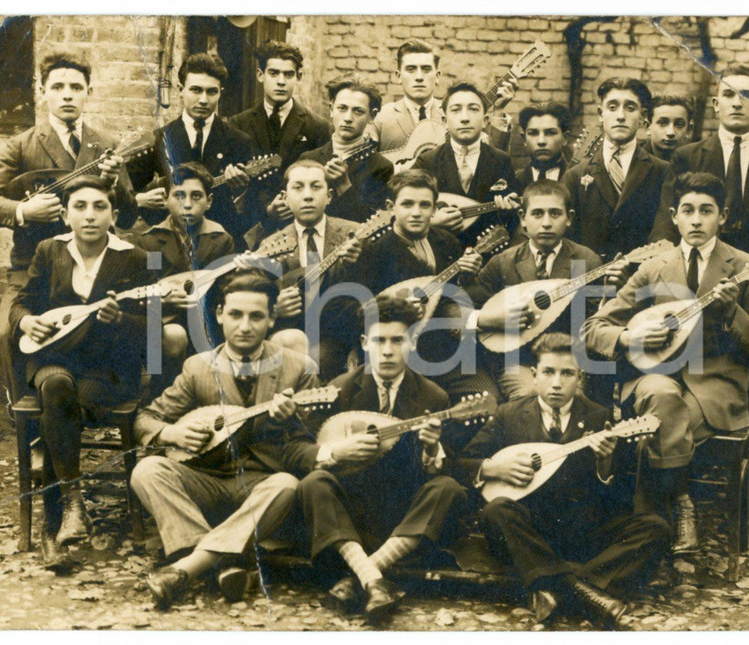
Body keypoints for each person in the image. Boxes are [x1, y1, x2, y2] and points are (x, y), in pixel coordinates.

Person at [582, 172, 749, 556]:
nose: (696, 220)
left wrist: (733, 311)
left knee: (660, 418)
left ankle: (652, 517)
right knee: (660, 394)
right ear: (674, 216)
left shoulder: (747, 267)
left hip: (715, 385)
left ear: (723, 217)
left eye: (707, 211)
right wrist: (629, 338)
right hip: (655, 376)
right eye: (687, 210)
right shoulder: (654, 267)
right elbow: (594, 328)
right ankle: (681, 501)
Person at [648, 66, 749, 529]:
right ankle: (669, 496)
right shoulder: (690, 155)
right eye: (728, 95)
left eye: (747, 95)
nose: (737, 102)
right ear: (715, 104)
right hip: (686, 291)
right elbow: (663, 223)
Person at [131, 271, 320, 609]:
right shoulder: (198, 367)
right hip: (208, 481)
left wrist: (293, 419)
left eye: (256, 316)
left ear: (272, 319)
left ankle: (187, 567)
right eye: (235, 314)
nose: (244, 326)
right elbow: (145, 420)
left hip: (264, 490)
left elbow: (314, 443)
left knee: (289, 485)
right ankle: (226, 561)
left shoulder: (298, 368)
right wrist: (172, 433)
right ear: (219, 314)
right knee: (147, 471)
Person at [455, 332, 671, 628]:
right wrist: (494, 468)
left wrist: (605, 463)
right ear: (534, 375)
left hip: (581, 530)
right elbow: (462, 463)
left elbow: (619, 499)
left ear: (579, 377)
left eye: (567, 373)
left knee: (655, 528)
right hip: (529, 528)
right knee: (497, 512)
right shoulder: (509, 414)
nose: (557, 383)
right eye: (548, 372)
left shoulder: (599, 417)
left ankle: (552, 584)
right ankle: (586, 590)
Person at [0, 50, 138, 405]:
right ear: (42, 90)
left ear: (89, 92)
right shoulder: (22, 144)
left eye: (76, 86)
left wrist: (116, 184)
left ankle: (80, 411)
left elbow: (131, 211)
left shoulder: (104, 145)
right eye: (58, 86)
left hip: (92, 272)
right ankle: (28, 422)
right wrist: (23, 210)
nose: (67, 94)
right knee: (4, 334)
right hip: (33, 271)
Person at [297, 296, 468, 624]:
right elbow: (304, 448)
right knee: (313, 483)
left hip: (399, 515)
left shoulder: (433, 397)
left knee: (447, 488)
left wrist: (432, 448)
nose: (388, 351)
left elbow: (432, 473)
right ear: (364, 343)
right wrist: (336, 453)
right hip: (350, 515)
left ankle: (359, 576)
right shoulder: (339, 390)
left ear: (412, 343)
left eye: (397, 340)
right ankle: (375, 581)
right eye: (379, 341)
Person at [10, 176, 149, 570]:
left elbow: (154, 328)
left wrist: (121, 320)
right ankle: (72, 503)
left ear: (114, 214)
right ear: (66, 216)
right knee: (56, 389)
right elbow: (20, 304)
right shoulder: (47, 250)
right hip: (54, 357)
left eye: (100, 206)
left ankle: (51, 532)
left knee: (60, 412)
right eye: (80, 207)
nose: (90, 215)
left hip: (105, 369)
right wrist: (27, 323)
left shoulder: (136, 256)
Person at [466, 179, 628, 401]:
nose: (546, 223)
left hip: (569, 361)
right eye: (537, 214)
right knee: (529, 396)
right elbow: (469, 309)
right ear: (523, 218)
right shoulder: (502, 262)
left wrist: (611, 290)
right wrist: (491, 318)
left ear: (569, 218)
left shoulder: (586, 260)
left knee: (572, 398)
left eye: (554, 214)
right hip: (518, 361)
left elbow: (596, 320)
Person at [353, 169, 498, 405]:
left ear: (434, 209)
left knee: (486, 400)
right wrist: (394, 309)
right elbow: (356, 309)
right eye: (407, 204)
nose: (416, 213)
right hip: (399, 357)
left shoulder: (446, 241)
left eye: (424, 205)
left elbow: (457, 295)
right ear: (391, 207)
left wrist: (466, 276)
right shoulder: (373, 252)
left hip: (447, 350)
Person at [251, 160, 363, 380]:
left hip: (344, 334)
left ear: (329, 196)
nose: (308, 195)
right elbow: (253, 296)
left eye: (316, 186)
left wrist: (359, 262)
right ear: (284, 197)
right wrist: (274, 308)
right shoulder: (270, 245)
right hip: (294, 334)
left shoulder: (355, 234)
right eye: (298, 187)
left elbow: (376, 284)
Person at [127, 53, 254, 247]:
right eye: (196, 90)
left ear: (221, 92)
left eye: (212, 92)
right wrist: (140, 200)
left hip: (220, 244)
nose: (203, 100)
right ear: (180, 89)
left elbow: (250, 207)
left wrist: (240, 190)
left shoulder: (238, 141)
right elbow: (126, 189)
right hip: (169, 245)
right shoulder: (160, 139)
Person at [135, 162, 235, 392]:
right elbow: (145, 287)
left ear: (209, 201)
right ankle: (161, 393)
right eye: (179, 196)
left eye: (196, 196)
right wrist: (162, 299)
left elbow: (228, 290)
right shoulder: (151, 241)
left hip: (208, 319)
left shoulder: (220, 240)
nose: (187, 204)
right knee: (173, 335)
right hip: (165, 321)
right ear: (167, 200)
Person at [229, 40, 330, 248]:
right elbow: (234, 189)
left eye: (288, 74)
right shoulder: (238, 124)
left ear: (298, 77)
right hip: (251, 227)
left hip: (299, 228)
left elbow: (323, 182)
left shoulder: (317, 126)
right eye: (274, 73)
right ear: (260, 75)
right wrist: (266, 210)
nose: (281, 81)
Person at [560, 77, 667, 260]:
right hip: (590, 280)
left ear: (642, 117)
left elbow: (664, 232)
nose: (620, 116)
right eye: (612, 107)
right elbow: (569, 239)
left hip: (641, 279)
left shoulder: (662, 172)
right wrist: (583, 282)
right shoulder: (575, 176)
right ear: (601, 114)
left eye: (630, 108)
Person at [412, 81, 521, 249]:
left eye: (473, 109)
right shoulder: (427, 161)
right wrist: (431, 221)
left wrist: (507, 209)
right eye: (455, 110)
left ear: (485, 120)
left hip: (487, 253)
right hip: (439, 254)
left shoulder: (501, 160)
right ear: (444, 120)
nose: (464, 118)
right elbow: (406, 209)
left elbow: (513, 217)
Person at [372, 39, 513, 156]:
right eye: (411, 69)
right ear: (398, 76)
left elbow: (493, 159)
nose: (419, 77)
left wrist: (499, 110)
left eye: (426, 69)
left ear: (437, 76)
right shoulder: (380, 117)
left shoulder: (455, 113)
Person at [298, 75, 394, 223]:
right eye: (342, 108)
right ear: (331, 109)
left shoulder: (381, 167)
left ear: (372, 116)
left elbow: (374, 225)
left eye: (358, 111)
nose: (348, 118)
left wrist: (344, 185)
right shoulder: (308, 159)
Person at [514, 102, 573, 192]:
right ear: (524, 139)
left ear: (565, 138)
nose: (541, 141)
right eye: (533, 133)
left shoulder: (577, 179)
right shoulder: (515, 180)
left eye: (550, 132)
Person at [642, 94, 693, 162]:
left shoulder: (696, 163)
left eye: (679, 124)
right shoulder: (631, 161)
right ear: (648, 127)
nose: (671, 132)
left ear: (688, 130)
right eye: (662, 123)